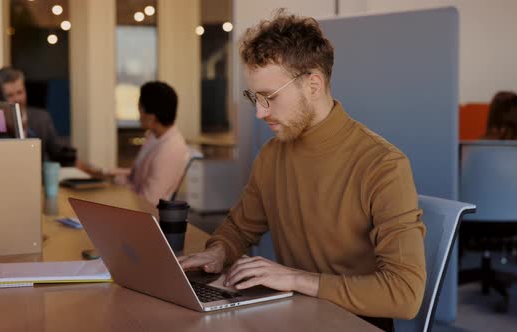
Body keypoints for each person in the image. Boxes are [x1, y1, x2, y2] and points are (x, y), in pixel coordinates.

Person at [178, 11, 426, 331]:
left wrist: (295, 278)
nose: (259, 112)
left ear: (313, 84)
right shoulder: (271, 155)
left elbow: (404, 294)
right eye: (254, 97)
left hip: (352, 322)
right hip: (292, 315)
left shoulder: (383, 165)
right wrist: (219, 252)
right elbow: (239, 228)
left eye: (269, 97)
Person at [82, 81, 190, 206]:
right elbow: (134, 175)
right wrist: (101, 173)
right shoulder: (154, 137)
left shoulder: (171, 150)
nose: (139, 117)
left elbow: (148, 202)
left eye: (140, 110)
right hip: (133, 203)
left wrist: (112, 184)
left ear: (152, 116)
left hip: (143, 213)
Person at [0, 67, 73, 163]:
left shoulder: (42, 118)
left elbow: (58, 154)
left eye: (20, 92)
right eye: (10, 95)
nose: (17, 99)